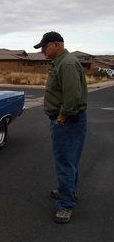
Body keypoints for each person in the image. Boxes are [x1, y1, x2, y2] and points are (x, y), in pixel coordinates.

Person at [34, 31, 88, 224]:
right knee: (69, 160)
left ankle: (66, 205)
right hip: (67, 121)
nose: (42, 51)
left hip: (68, 122)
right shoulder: (62, 62)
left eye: (44, 47)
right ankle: (67, 191)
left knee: (65, 162)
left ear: (57, 44)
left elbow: (72, 95)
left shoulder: (66, 64)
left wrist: (61, 117)